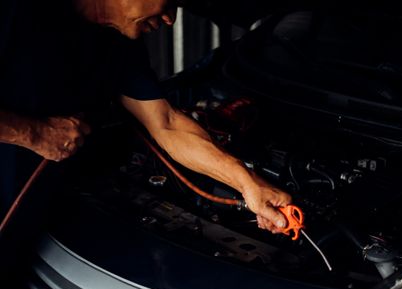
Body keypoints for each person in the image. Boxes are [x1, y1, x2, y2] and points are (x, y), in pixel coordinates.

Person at [0, 0, 291, 233]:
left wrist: (248, 184)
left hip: (27, 220)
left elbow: (167, 124)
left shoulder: (118, 45)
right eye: (169, 2)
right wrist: (34, 133)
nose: (170, 19)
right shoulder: (18, 10)